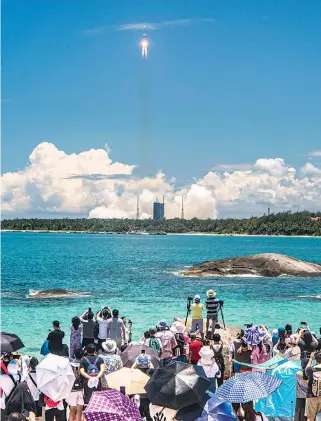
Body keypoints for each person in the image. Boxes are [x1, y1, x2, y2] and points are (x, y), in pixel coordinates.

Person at [65, 349, 83, 421]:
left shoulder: (70, 363)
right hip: (81, 389)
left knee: (72, 411)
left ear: (74, 355)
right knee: (79, 411)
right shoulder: (83, 363)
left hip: (71, 389)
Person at [304, 351, 321, 421]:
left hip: (311, 395)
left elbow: (306, 370)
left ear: (316, 359)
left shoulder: (311, 369)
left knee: (310, 418)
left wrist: (311, 358)